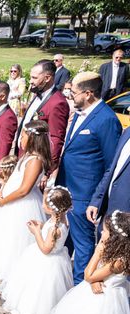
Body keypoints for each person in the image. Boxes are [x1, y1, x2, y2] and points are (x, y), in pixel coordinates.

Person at [56, 72, 122, 284]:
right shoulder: (79, 112)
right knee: (62, 244)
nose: (70, 96)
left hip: (84, 196)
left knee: (83, 248)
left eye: (73, 93)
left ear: (88, 93)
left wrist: (96, 200)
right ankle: (61, 286)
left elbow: (111, 165)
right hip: (67, 189)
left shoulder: (107, 120)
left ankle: (78, 292)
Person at [0, 121, 48, 283]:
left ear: (33, 138)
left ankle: (14, 280)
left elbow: (24, 189)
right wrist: (1, 192)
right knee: (5, 241)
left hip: (22, 205)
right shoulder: (27, 156)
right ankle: (6, 279)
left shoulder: (35, 160)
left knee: (17, 243)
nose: (21, 139)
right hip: (11, 202)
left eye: (24, 135)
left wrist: (3, 201)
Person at [0, 186, 73, 314]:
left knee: (41, 291)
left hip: (47, 261)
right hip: (57, 258)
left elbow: (46, 249)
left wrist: (37, 232)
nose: (41, 205)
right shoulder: (63, 221)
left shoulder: (54, 227)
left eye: (44, 203)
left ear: (51, 208)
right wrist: (42, 225)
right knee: (40, 289)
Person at [15, 59, 69, 178]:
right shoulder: (38, 95)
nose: (31, 81)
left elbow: (56, 138)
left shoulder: (58, 103)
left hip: (36, 163)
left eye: (34, 78)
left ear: (47, 78)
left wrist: (47, 171)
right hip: (23, 154)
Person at [88, 126, 130, 229]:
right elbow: (112, 169)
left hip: (125, 218)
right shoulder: (127, 132)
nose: (128, 109)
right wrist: (97, 200)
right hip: (109, 210)